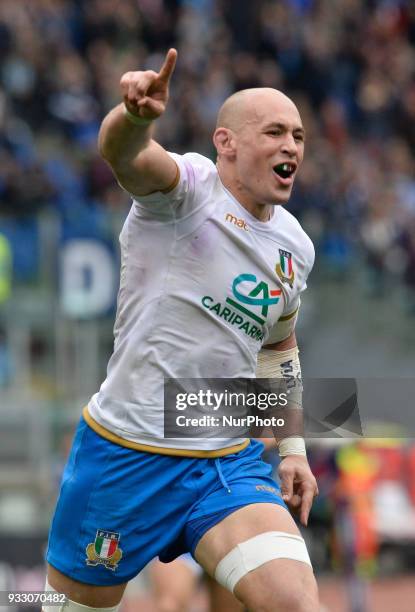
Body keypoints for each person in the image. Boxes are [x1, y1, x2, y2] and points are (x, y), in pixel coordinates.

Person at [44, 48, 319, 612]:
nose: (291, 145)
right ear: (227, 142)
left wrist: (293, 449)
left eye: (297, 135)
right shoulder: (188, 191)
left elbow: (278, 348)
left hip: (224, 458)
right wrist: (135, 118)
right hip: (127, 451)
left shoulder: (295, 245)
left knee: (294, 603)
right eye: (274, 132)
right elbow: (125, 155)